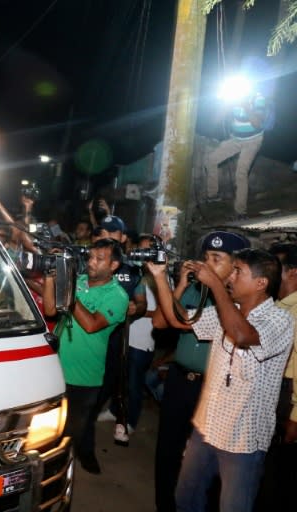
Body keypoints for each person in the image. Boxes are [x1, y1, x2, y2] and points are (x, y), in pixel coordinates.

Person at [146, 248, 293, 512]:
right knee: (186, 499)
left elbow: (242, 335)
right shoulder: (228, 310)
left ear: (261, 283)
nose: (231, 277)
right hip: (207, 427)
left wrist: (214, 284)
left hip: (243, 439)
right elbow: (178, 320)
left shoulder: (280, 319)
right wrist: (160, 278)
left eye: (238, 271)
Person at [150, 230, 249, 512]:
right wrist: (179, 284)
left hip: (212, 390)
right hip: (181, 381)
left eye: (217, 259)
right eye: (205, 257)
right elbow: (160, 322)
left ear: (236, 265)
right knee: (168, 451)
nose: (206, 264)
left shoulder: (238, 302)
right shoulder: (195, 289)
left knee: (206, 464)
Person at [43, 238, 129, 474]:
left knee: (70, 436)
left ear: (113, 265)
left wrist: (68, 286)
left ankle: (62, 478)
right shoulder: (78, 281)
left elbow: (91, 325)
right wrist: (52, 277)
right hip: (55, 369)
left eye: (99, 259)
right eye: (90, 257)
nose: (91, 262)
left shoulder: (118, 296)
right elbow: (51, 311)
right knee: (49, 431)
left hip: (84, 378)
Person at [91, 214, 147, 446]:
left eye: (112, 233)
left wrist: (137, 307)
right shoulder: (90, 262)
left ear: (123, 237)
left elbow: (141, 302)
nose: (107, 237)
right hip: (88, 337)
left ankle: (113, 418)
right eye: (103, 232)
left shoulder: (133, 270)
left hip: (116, 339)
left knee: (112, 380)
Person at [254, 242, 297, 510]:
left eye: (276, 269)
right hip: (272, 392)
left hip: (287, 397)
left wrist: (295, 417)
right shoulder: (277, 306)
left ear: (292, 273)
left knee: (278, 478)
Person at [204, 59, 274, 218]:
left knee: (240, 173)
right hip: (235, 139)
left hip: (253, 141)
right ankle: (213, 196)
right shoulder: (234, 96)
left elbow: (257, 123)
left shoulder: (259, 98)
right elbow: (224, 116)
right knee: (210, 160)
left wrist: (245, 106)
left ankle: (240, 211)